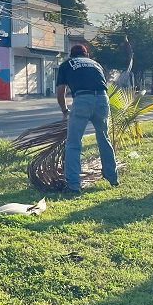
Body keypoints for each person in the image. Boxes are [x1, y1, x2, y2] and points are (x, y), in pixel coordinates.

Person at [56, 44, 118, 194]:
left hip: (83, 99)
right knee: (104, 139)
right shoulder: (96, 64)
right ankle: (113, 178)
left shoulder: (66, 65)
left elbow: (60, 91)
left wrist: (65, 111)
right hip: (103, 100)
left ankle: (73, 185)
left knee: (73, 143)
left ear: (71, 55)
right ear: (87, 55)